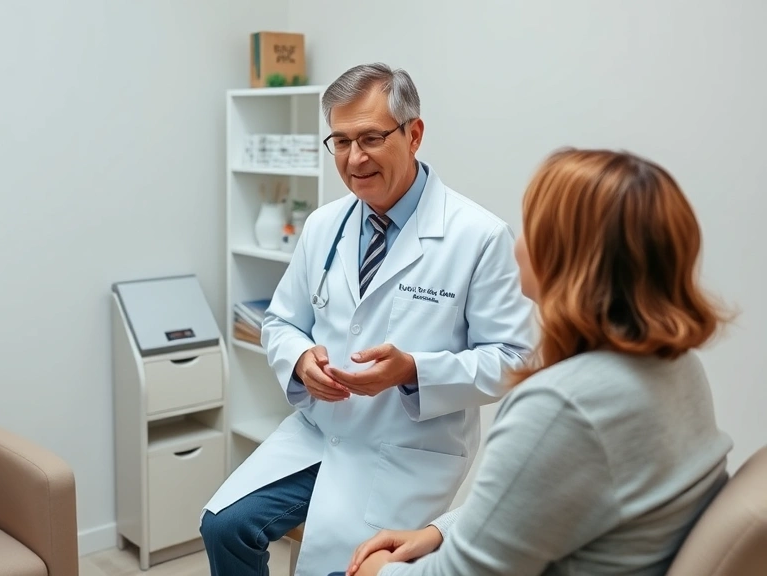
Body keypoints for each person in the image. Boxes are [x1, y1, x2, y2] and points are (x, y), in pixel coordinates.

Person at [199, 62, 536, 575]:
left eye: (371, 138)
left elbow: (513, 359)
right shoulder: (323, 225)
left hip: (405, 452)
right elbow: (281, 322)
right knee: (224, 527)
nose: (354, 158)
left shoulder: (479, 236)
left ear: (414, 134)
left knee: (351, 567)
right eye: (340, 141)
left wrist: (413, 370)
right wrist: (300, 359)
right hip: (317, 434)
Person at [338, 148, 735, 576]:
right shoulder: (675, 366)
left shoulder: (563, 407)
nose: (518, 245)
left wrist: (375, 570)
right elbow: (537, 501)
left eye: (530, 226)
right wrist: (439, 531)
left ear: (566, 253)